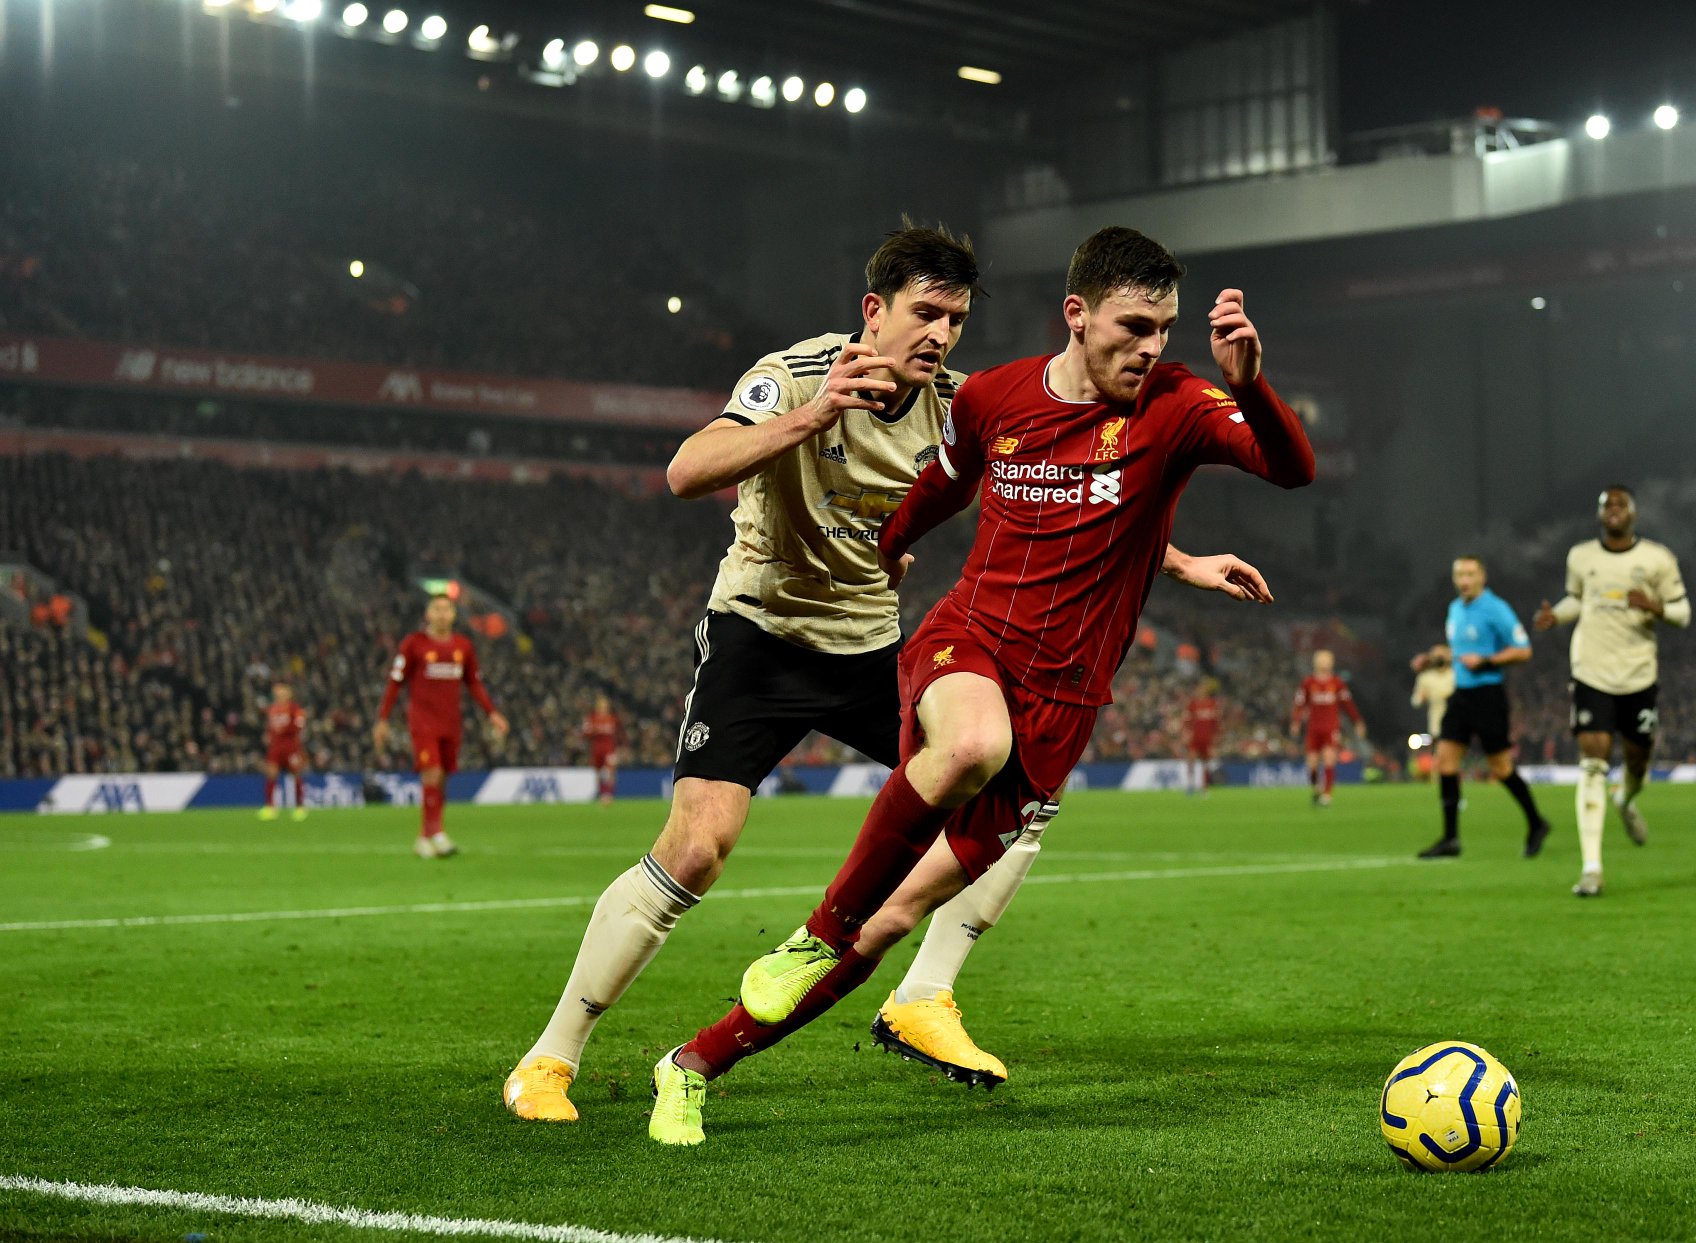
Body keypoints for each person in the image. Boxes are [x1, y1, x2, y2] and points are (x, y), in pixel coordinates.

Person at [503, 222, 1268, 1123]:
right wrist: (814, 414)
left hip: (873, 644)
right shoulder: (795, 373)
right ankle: (552, 1056)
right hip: (762, 629)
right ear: (875, 311)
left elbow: (1052, 498)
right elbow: (685, 470)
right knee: (700, 845)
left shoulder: (963, 403)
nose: (940, 335)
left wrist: (1177, 562)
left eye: (955, 319)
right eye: (924, 314)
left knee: (1013, 794)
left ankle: (921, 996)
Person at [1532, 486, 1691, 896]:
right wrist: (1556, 616)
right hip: (1591, 672)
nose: (1613, 510)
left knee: (1637, 761)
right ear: (1599, 514)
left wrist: (1655, 608)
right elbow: (1576, 600)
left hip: (1638, 674)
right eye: (1607, 505)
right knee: (1593, 762)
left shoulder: (1657, 558)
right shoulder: (1581, 556)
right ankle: (1591, 868)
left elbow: (1683, 613)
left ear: (1634, 513)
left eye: (1621, 504)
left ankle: (1625, 799)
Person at [1417, 557, 1549, 860]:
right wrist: (1434, 660)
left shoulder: (1496, 609)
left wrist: (1488, 661)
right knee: (1445, 763)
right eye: (1459, 574)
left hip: (1488, 695)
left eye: (1470, 574)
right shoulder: (1454, 609)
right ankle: (1450, 839)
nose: (1464, 579)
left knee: (1501, 769)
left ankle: (1536, 822)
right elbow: (1460, 653)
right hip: (1461, 695)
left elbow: (1523, 650)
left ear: (1482, 577)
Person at [373, 594, 508, 859]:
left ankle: (427, 836)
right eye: (437, 608)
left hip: (450, 723)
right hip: (423, 722)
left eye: (447, 609)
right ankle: (435, 833)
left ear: (454, 615)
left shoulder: (463, 646)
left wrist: (492, 713)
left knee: (442, 777)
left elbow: (474, 683)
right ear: (428, 614)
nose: (442, 613)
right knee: (432, 773)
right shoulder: (414, 644)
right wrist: (383, 719)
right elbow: (394, 682)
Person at [1290, 649, 1366, 807]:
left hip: (1331, 728)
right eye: (1322, 659)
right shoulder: (1308, 683)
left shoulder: (1337, 683)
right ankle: (1316, 788)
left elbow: (1348, 705)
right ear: (1316, 662)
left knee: (1329, 759)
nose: (1325, 662)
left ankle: (1327, 794)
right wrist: (1296, 721)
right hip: (1313, 729)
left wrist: (1357, 721)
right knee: (1311, 763)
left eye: (1327, 659)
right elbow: (1299, 703)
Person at [258, 680, 309, 822]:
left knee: (296, 775)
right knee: (271, 774)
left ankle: (299, 807)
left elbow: (299, 726)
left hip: (291, 746)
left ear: (288, 693)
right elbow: (271, 728)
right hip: (275, 747)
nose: (279, 693)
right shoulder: (273, 709)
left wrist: (285, 729)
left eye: (282, 690)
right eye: (277, 690)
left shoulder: (295, 709)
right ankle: (270, 808)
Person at [1183, 677, 1223, 796]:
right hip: (1195, 738)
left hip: (1207, 739)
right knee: (1191, 760)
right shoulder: (1193, 704)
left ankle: (1204, 788)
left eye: (1203, 688)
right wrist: (1185, 733)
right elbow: (1187, 720)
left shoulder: (1212, 704)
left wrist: (1217, 737)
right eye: (1200, 687)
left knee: (1205, 764)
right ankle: (1190, 785)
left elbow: (1216, 723)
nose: (1201, 690)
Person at [1409, 644, 1455, 744]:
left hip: (1457, 722)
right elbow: (1415, 701)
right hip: (1436, 725)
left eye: (1442, 655)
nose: (1439, 658)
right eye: (1436, 656)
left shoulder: (1455, 674)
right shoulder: (1425, 677)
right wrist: (1421, 698)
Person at [582, 696, 620, 805]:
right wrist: (593, 731)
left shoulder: (612, 718)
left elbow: (618, 735)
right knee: (598, 773)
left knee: (610, 771)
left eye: (605, 705)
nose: (603, 707)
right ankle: (601, 793)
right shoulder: (592, 718)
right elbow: (585, 733)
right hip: (597, 749)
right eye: (601, 705)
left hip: (609, 749)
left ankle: (609, 795)